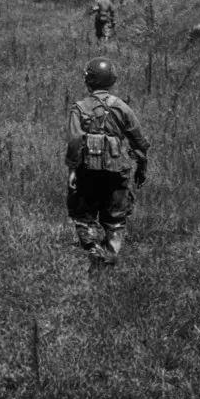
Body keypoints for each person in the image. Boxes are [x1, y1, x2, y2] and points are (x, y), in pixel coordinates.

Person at [65, 57, 149, 266]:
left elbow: (75, 141)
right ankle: (111, 255)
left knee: (84, 213)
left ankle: (93, 248)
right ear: (111, 81)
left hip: (87, 170)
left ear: (88, 82)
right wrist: (141, 166)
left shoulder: (80, 108)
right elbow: (139, 141)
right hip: (117, 169)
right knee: (116, 216)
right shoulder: (121, 107)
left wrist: (72, 171)